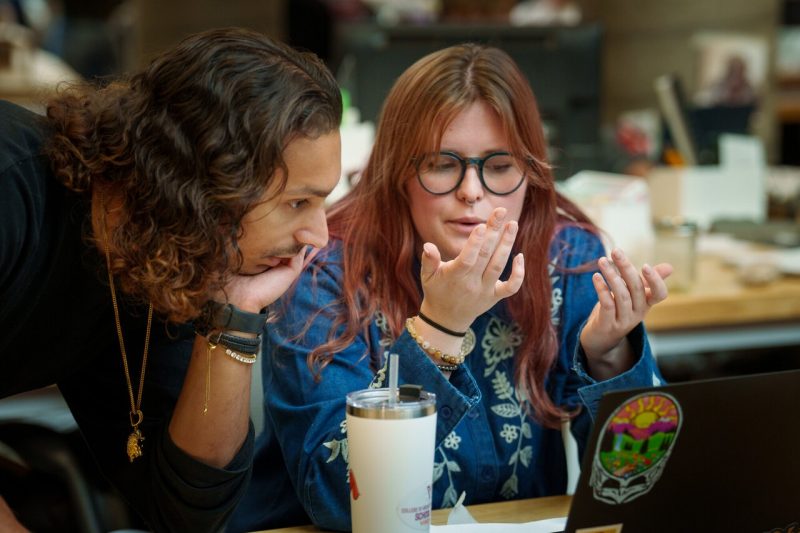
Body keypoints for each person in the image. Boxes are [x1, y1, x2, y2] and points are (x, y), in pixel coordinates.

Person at [230, 43, 672, 532]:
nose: (472, 190)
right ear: (398, 171)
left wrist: (609, 358)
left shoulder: (567, 259)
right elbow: (342, 502)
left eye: (500, 166)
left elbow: (636, 485)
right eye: (443, 164)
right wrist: (439, 329)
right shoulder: (323, 271)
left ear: (531, 173)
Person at [0, 27, 342, 532]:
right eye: (298, 203)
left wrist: (236, 312)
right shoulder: (12, 189)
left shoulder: (163, 260)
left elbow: (186, 509)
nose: (319, 235)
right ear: (204, 183)